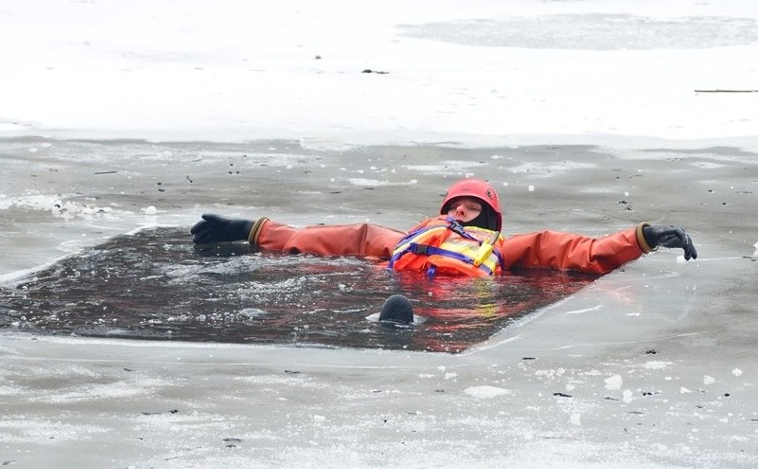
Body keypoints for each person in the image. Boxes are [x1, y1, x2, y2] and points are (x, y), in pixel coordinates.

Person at [190, 179, 697, 277]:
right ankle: (395, 325)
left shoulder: (511, 248)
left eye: (473, 209)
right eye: (456, 207)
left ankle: (401, 326)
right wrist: (252, 229)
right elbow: (332, 238)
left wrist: (645, 236)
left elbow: (579, 251)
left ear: (492, 221)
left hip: (464, 302)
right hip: (402, 277)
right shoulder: (399, 239)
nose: (461, 214)